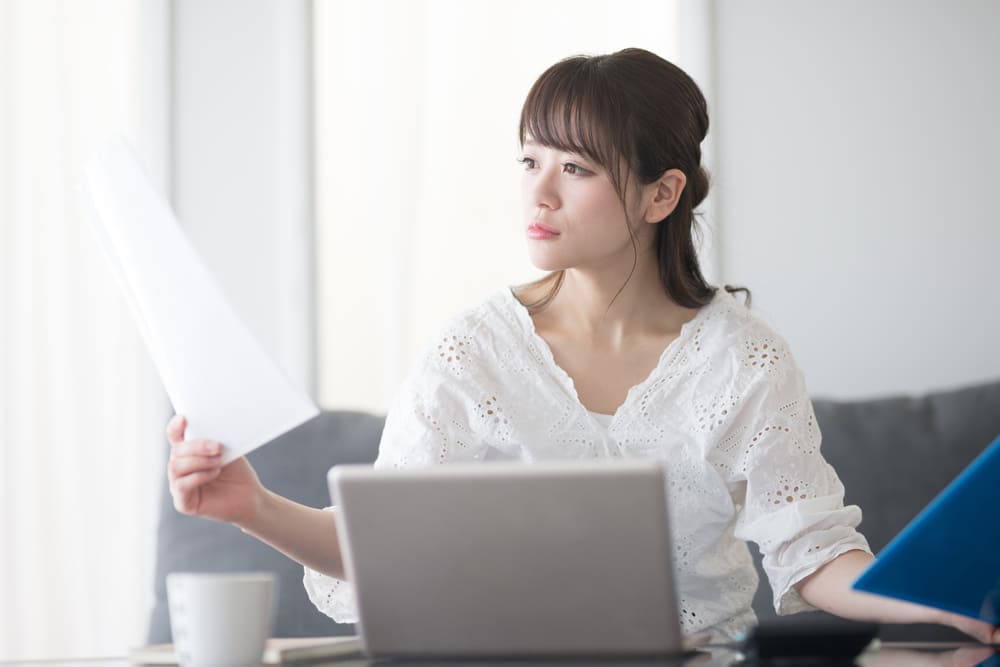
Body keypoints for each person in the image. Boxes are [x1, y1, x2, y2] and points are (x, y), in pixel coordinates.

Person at [165, 48, 1000, 644]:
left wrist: (929, 598)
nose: (537, 190)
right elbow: (378, 547)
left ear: (659, 192)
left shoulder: (746, 359)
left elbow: (813, 551)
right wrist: (252, 505)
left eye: (576, 167)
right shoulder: (470, 352)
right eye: (530, 158)